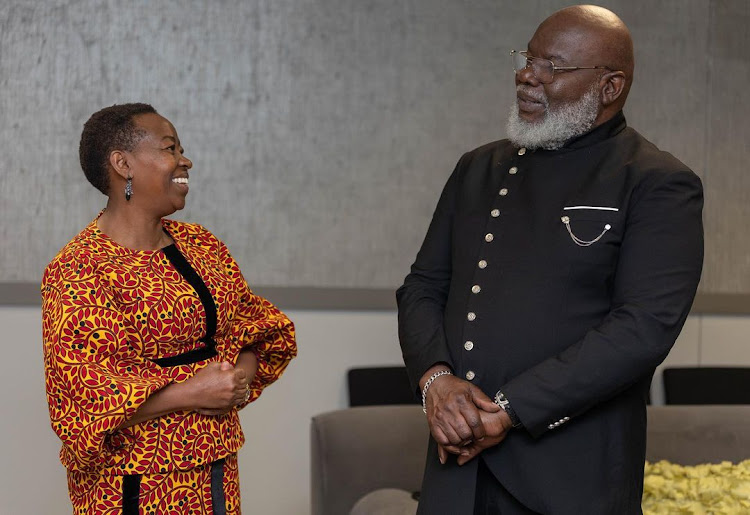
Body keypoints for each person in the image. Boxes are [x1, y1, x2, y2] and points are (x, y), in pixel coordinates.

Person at [397, 5, 703, 514]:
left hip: (570, 478)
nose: (526, 76)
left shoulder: (656, 181)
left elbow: (643, 328)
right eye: (527, 58)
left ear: (610, 87)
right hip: (458, 468)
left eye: (551, 67)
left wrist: (511, 410)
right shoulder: (478, 167)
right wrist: (436, 381)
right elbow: (423, 286)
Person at [41, 103, 297, 514]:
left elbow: (258, 331)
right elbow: (80, 401)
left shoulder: (203, 246)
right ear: (123, 164)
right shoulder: (79, 268)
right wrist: (193, 392)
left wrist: (233, 383)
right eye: (169, 148)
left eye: (181, 148)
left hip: (215, 468)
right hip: (132, 482)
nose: (185, 160)